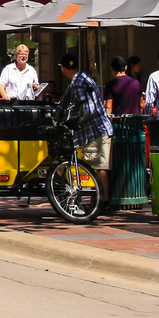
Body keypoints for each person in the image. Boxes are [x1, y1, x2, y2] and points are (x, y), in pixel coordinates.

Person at [58, 52, 113, 204]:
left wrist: (77, 121)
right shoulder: (82, 78)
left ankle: (103, 201)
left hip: (96, 130)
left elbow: (88, 109)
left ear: (63, 68)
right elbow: (66, 98)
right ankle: (100, 200)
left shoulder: (78, 83)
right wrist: (59, 110)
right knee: (95, 166)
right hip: (98, 129)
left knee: (100, 167)